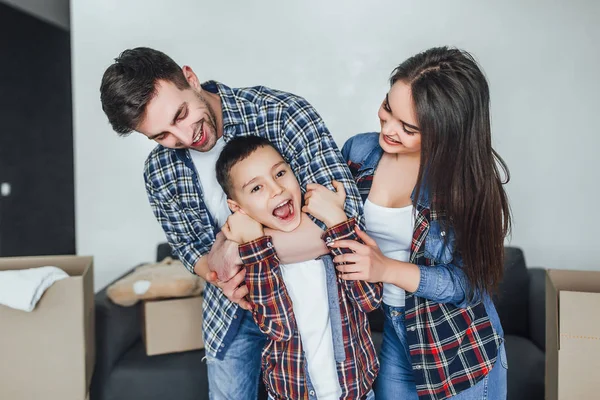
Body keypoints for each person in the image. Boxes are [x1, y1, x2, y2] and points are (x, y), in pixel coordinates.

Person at [99, 47, 364, 399]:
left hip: (311, 299)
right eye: (161, 136)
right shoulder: (159, 171)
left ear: (190, 78)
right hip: (233, 310)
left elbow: (343, 219)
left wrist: (232, 251)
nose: (181, 139)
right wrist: (216, 270)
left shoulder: (282, 114)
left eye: (180, 115)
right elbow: (193, 253)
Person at [320, 46, 511, 399]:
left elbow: (467, 284)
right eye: (387, 109)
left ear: (445, 132)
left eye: (408, 128)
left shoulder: (466, 185)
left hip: (459, 348)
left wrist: (385, 268)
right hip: (397, 332)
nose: (388, 130)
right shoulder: (358, 153)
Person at [214, 135, 381, 400]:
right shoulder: (258, 263)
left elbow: (369, 299)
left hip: (355, 392)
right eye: (256, 188)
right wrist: (254, 245)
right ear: (237, 208)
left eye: (280, 173)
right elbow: (278, 326)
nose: (276, 189)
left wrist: (337, 221)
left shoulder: (329, 239)